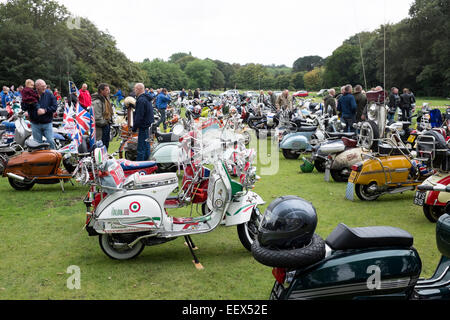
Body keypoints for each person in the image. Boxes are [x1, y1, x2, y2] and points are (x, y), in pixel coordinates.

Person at [23, 79, 57, 149]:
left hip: (47, 123)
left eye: (45, 86)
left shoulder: (49, 94)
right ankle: (41, 159)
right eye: (42, 86)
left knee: (50, 141)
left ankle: (54, 157)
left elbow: (55, 107)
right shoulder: (30, 94)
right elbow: (23, 107)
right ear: (37, 87)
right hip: (35, 124)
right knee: (38, 144)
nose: (45, 87)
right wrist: (29, 104)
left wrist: (45, 110)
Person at [132, 83, 154, 161]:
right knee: (146, 146)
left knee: (141, 147)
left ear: (138, 89)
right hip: (148, 125)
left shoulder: (141, 100)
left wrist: (134, 128)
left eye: (135, 89)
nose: (134, 91)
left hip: (143, 126)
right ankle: (147, 162)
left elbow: (139, 116)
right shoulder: (147, 98)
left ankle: (140, 164)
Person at [92, 83, 113, 149]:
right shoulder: (97, 102)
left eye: (109, 90)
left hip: (106, 124)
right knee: (101, 146)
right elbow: (97, 118)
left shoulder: (105, 99)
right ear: (101, 91)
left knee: (106, 145)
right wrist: (105, 122)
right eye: (107, 90)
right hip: (101, 128)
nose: (109, 91)